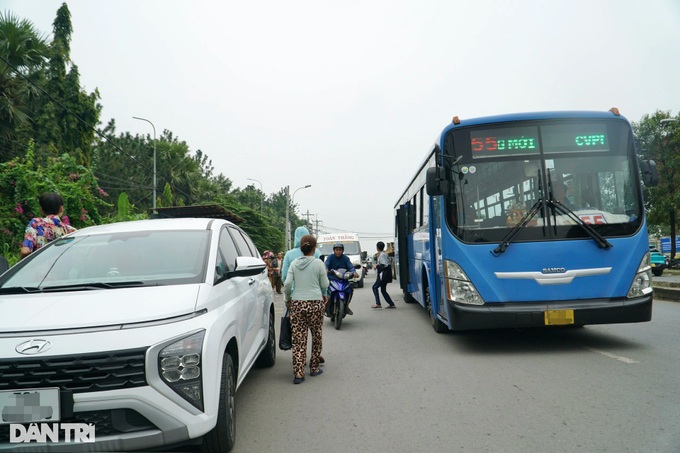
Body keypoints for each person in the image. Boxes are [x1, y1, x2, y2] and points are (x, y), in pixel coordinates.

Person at [283, 235, 329, 385]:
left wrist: (288, 300)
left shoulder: (294, 264)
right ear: (314, 248)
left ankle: (298, 373)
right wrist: (324, 294)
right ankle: (314, 367)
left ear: (301, 247)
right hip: (315, 303)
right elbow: (325, 283)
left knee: (298, 339)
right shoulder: (319, 263)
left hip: (297, 304)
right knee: (316, 336)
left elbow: (288, 283)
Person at [20, 192, 76, 259]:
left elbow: (25, 251)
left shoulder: (36, 224)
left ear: (42, 210)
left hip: (39, 268)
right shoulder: (71, 231)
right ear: (61, 209)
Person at [325, 243, 358, 315]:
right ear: (334, 251)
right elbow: (326, 265)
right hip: (332, 279)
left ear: (342, 251)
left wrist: (354, 272)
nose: (338, 251)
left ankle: (347, 305)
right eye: (336, 250)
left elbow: (351, 267)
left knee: (350, 290)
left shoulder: (345, 258)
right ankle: (326, 306)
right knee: (327, 291)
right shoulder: (330, 257)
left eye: (340, 250)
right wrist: (326, 270)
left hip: (343, 279)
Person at [372, 241, 395, 308]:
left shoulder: (382, 255)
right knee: (383, 290)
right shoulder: (384, 254)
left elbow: (384, 265)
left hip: (382, 276)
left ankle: (378, 303)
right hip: (385, 275)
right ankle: (391, 304)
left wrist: (377, 266)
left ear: (377, 247)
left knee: (374, 287)